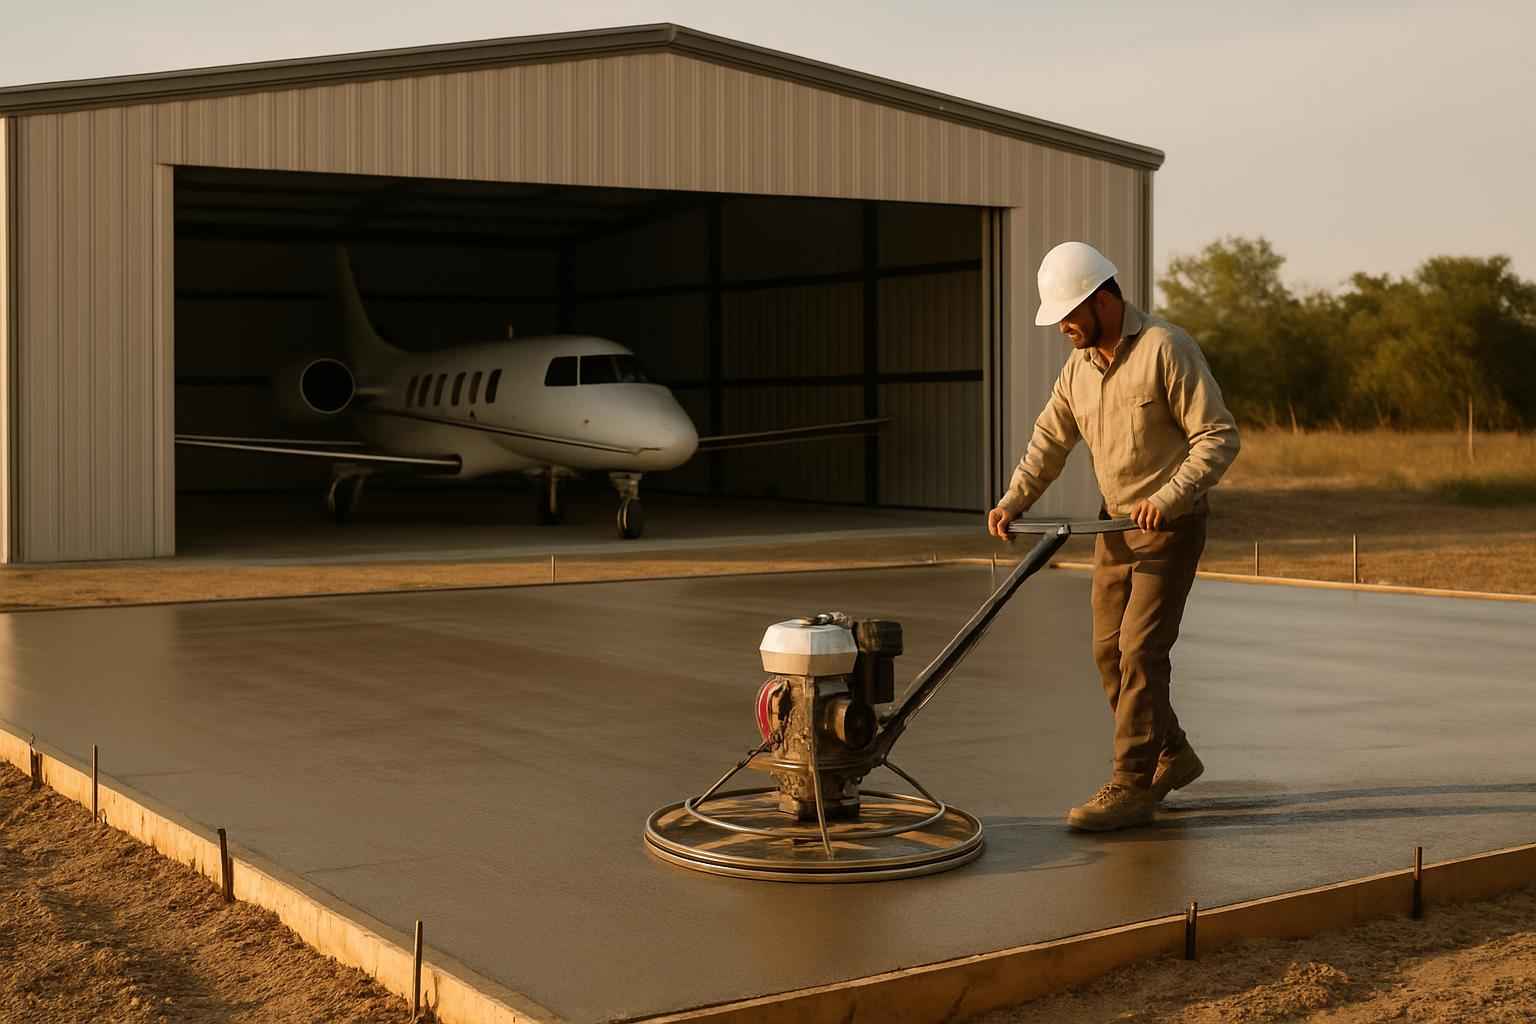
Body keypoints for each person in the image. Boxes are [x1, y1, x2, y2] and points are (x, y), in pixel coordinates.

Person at [987, 241, 1240, 832]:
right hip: (1114, 528)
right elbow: (1050, 440)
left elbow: (1218, 437)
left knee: (1140, 652)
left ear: (1103, 299)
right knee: (1108, 653)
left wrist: (1168, 498)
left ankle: (1131, 784)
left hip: (1169, 526)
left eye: (1070, 314)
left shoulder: (1166, 348)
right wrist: (1014, 500)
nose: (1064, 328)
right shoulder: (1078, 369)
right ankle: (1173, 754)